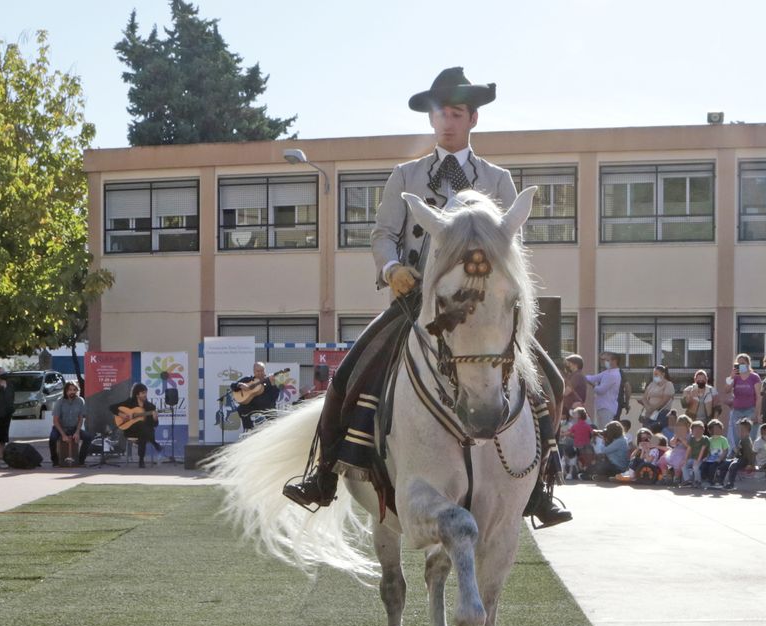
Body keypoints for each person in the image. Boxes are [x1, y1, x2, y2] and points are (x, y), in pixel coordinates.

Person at [281, 67, 569, 528]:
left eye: (456, 113)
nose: (447, 122)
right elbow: (383, 234)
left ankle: (541, 485)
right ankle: (324, 472)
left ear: (473, 118)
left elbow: (512, 246)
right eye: (440, 114)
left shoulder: (498, 180)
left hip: (482, 307)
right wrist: (392, 268)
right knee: (352, 370)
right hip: (417, 301)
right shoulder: (406, 174)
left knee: (549, 380)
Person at [113, 382, 160, 468]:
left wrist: (155, 418)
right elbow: (112, 408)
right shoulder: (129, 403)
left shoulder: (150, 407)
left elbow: (154, 424)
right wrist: (123, 415)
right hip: (131, 430)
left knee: (143, 431)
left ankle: (141, 460)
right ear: (137, 395)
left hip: (144, 432)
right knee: (141, 425)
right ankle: (154, 443)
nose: (145, 395)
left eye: (146, 392)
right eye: (143, 393)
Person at [51, 380, 89, 467]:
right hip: (60, 427)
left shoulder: (80, 401)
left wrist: (77, 432)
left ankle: (80, 460)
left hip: (73, 428)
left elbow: (80, 419)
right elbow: (55, 421)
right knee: (52, 439)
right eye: (70, 390)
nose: (72, 392)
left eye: (74, 390)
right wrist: (63, 435)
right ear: (65, 391)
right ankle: (55, 461)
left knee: (88, 437)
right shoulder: (59, 401)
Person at [724, 354, 761, 441]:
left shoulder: (754, 377)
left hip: (750, 410)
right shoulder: (736, 377)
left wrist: (756, 414)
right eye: (738, 363)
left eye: (743, 363)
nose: (741, 365)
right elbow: (726, 390)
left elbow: (759, 396)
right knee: (736, 436)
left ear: (748, 364)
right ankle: (738, 452)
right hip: (737, 411)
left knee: (750, 436)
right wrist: (731, 377)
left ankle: (749, 453)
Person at [584, 352, 623, 426]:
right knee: (600, 431)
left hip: (607, 408)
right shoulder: (607, 372)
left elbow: (601, 390)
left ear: (614, 361)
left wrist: (592, 385)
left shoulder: (613, 375)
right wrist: (582, 376)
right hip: (602, 407)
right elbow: (593, 378)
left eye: (607, 360)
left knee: (604, 432)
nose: (604, 362)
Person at [638, 365, 674, 430]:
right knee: (646, 431)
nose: (654, 376)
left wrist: (652, 409)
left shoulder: (668, 384)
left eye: (656, 374)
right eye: (654, 374)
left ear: (663, 374)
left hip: (661, 413)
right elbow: (644, 397)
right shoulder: (652, 384)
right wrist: (648, 407)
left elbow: (664, 400)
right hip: (648, 413)